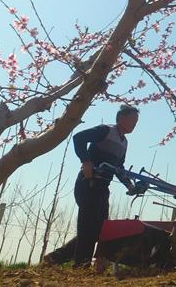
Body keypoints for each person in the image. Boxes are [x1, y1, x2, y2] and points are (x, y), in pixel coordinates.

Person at [43, 105, 139, 267]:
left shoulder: (124, 143)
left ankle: (56, 258)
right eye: (133, 120)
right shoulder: (105, 131)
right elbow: (79, 138)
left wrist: (129, 185)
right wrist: (86, 161)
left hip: (102, 187)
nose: (135, 125)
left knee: (99, 230)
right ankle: (82, 264)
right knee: (87, 226)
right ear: (121, 118)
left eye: (136, 122)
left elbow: (119, 168)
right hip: (89, 182)